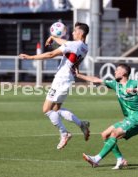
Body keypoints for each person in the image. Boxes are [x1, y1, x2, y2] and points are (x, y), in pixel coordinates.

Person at [19, 22, 90, 150]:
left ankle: (65, 133)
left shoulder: (72, 45)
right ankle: (82, 124)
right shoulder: (85, 47)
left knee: (46, 110)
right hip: (68, 79)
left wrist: (30, 57)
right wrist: (54, 38)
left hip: (61, 80)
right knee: (56, 110)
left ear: (80, 33)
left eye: (74, 31)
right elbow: (67, 44)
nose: (72, 33)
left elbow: (50, 54)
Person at [75, 64, 138, 169]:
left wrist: (135, 90)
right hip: (129, 119)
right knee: (105, 134)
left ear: (124, 73)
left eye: (117, 70)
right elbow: (97, 80)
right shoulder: (115, 84)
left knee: (114, 134)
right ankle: (120, 159)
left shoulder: (133, 83)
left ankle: (96, 159)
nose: (114, 72)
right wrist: (79, 75)